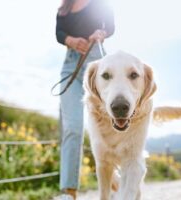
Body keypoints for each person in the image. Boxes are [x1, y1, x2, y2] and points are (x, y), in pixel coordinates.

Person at [55, 0, 114, 199]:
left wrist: (101, 34)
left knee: (106, 125)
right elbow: (59, 33)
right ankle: (69, 192)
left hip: (96, 62)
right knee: (72, 126)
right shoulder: (65, 7)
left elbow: (110, 26)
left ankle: (113, 186)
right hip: (70, 65)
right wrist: (70, 40)